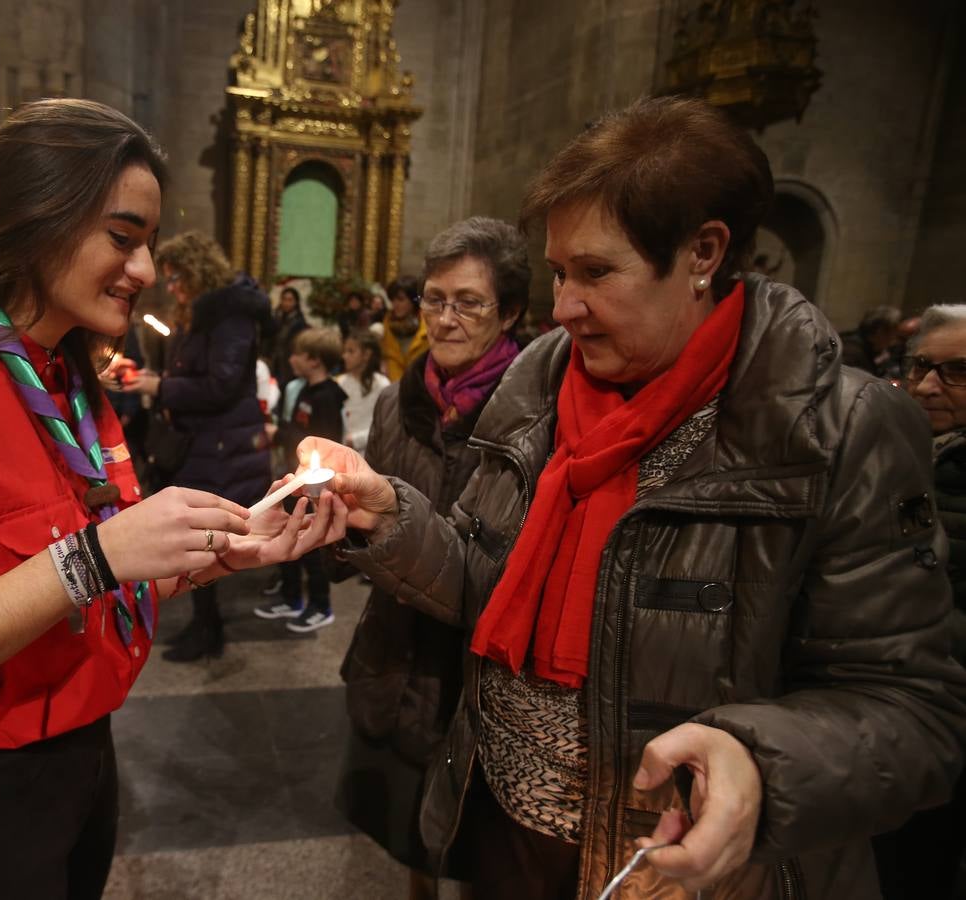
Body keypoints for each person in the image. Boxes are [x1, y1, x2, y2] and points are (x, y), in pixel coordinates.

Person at [293, 97, 966, 899]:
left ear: (703, 253)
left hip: (679, 869)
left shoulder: (841, 426)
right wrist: (394, 518)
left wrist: (762, 761)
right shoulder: (539, 381)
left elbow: (917, 711)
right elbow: (487, 579)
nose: (566, 305)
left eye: (597, 272)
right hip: (502, 827)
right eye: (558, 273)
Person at [0, 100, 331, 899]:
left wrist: (222, 552)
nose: (144, 270)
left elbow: (85, 590)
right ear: (31, 216)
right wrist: (94, 556)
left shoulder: (64, 381)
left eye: (146, 243)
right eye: (122, 237)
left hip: (83, 762)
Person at [336, 216, 529, 900]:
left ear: (509, 313)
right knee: (408, 834)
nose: (445, 319)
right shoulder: (398, 401)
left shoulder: (535, 415)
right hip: (397, 653)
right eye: (433, 298)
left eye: (468, 302)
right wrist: (328, 522)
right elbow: (370, 531)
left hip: (477, 670)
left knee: (479, 848)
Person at [125, 230, 274, 663]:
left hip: (223, 444)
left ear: (197, 270)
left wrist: (160, 385)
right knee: (199, 538)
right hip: (205, 443)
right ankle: (202, 623)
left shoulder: (229, 314)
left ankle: (209, 631)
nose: (171, 288)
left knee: (207, 540)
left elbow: (221, 385)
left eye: (175, 279)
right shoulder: (204, 311)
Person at [877, 303, 966, 899]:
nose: (929, 386)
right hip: (881, 707)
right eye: (920, 368)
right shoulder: (890, 452)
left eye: (957, 371)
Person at [256, 326, 347, 633]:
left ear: (315, 360)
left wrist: (279, 434)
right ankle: (291, 596)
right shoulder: (305, 389)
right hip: (296, 481)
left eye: (298, 353)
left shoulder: (328, 397)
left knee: (313, 550)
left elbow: (325, 441)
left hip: (314, 489)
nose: (292, 358)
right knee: (287, 535)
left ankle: (320, 606)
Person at [337, 327, 389, 452]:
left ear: (366, 354)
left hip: (371, 452)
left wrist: (356, 439)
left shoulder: (381, 384)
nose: (345, 356)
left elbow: (386, 425)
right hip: (344, 450)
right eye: (344, 351)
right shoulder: (341, 382)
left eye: (351, 351)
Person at [381, 275, 428, 381]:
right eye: (392, 300)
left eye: (400, 299)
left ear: (413, 301)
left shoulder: (429, 326)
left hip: (420, 387)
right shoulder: (387, 323)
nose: (395, 304)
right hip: (392, 386)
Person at [840, 304, 901, 378]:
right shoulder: (851, 352)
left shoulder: (866, 348)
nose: (894, 338)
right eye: (894, 332)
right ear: (880, 331)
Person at [271, 284, 309, 393]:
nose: (286, 303)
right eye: (284, 299)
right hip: (276, 362)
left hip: (289, 365)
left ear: (295, 302)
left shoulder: (299, 323)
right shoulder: (276, 318)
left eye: (290, 300)